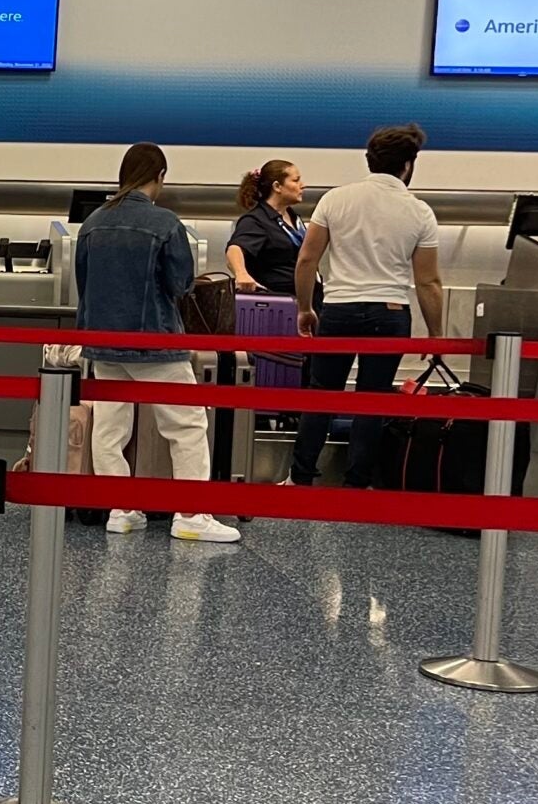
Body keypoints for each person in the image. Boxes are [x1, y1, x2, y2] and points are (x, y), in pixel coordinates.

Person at [74, 142, 242, 544]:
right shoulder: (166, 223)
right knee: (186, 425)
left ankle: (121, 510)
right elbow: (180, 284)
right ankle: (191, 513)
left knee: (111, 427)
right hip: (154, 341)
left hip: (102, 341)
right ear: (160, 176)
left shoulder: (92, 223)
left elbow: (83, 283)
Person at [290, 124, 443, 490]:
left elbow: (307, 261)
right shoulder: (420, 212)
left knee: (322, 395)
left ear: (369, 160)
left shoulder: (335, 199)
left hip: (339, 308)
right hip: (390, 312)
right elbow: (428, 281)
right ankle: (356, 484)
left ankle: (301, 478)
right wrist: (436, 334)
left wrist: (305, 307)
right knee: (372, 401)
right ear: (408, 165)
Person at [225, 159, 306, 296]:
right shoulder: (257, 220)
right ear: (277, 187)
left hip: (305, 298)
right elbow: (235, 249)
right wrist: (242, 274)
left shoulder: (294, 218)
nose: (302, 185)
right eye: (296, 180)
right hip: (277, 301)